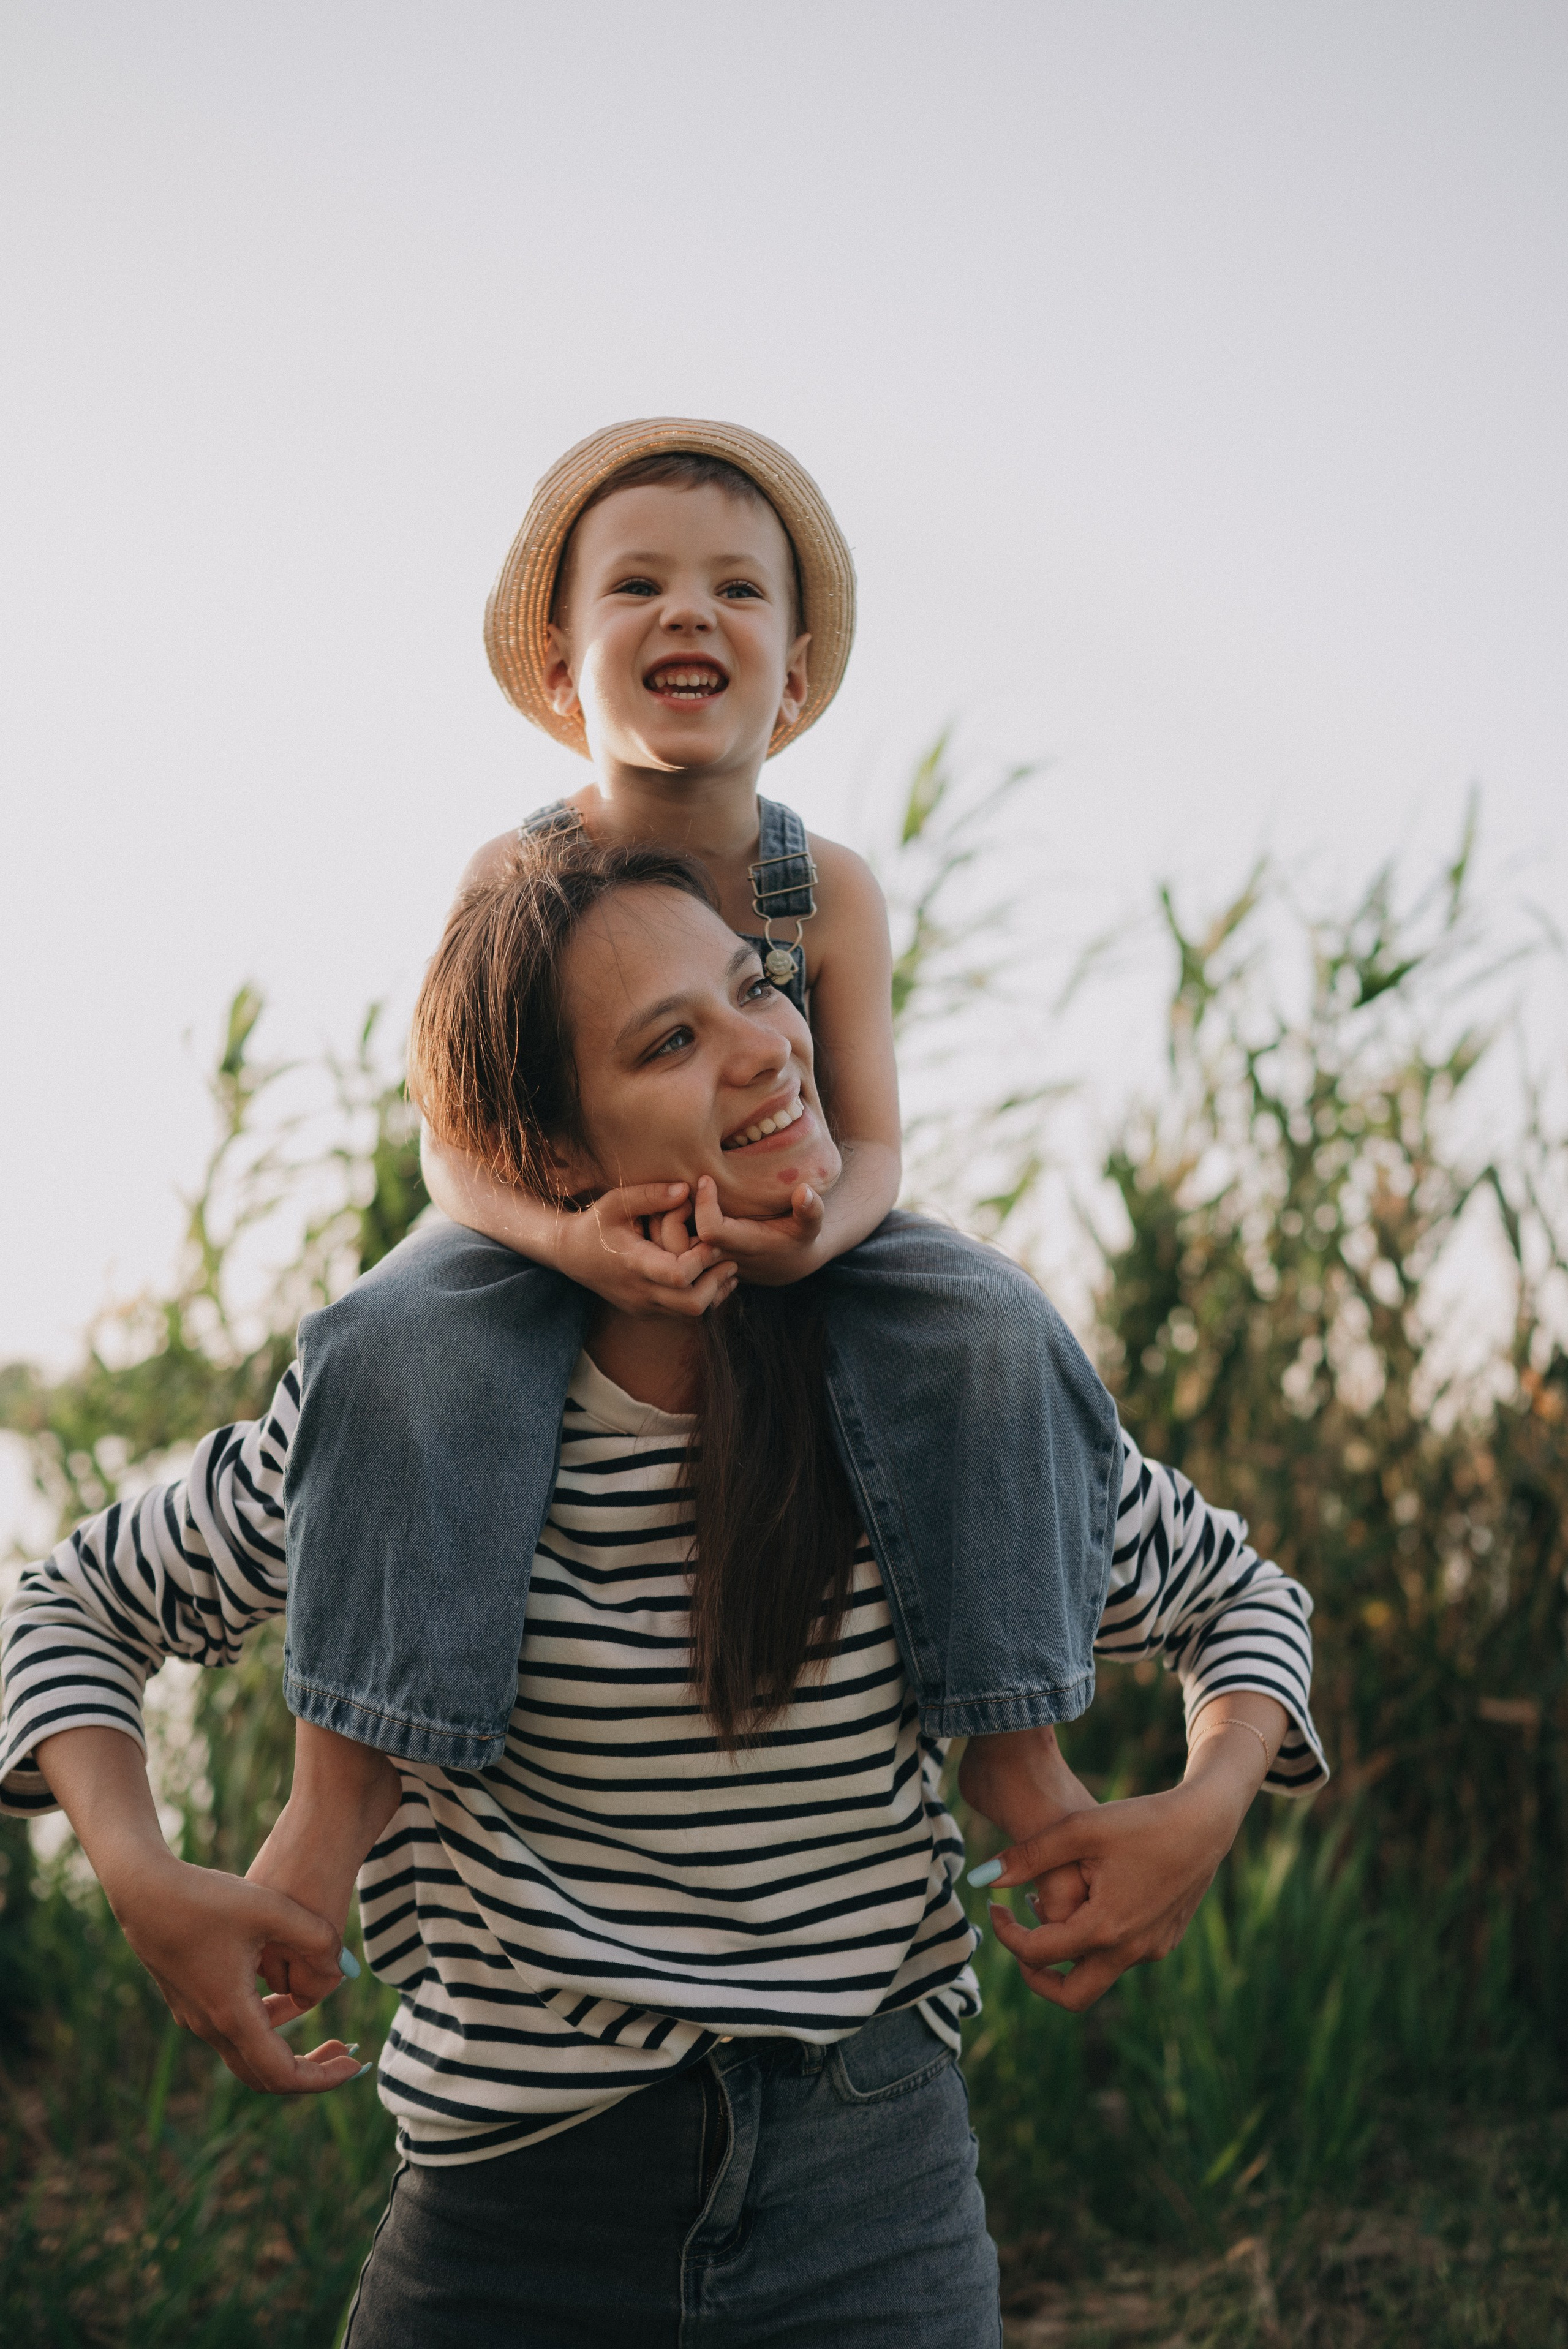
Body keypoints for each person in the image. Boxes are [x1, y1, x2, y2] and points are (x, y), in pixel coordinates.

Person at [1, 837, 1326, 2348]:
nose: (766, 1046)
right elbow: (67, 1612)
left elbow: (1243, 1604)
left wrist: (1207, 1802)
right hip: (511, 2232)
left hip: (874, 2214)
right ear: (556, 1159)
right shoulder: (404, 1425)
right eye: (668, 1041)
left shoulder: (936, 1397)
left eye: (757, 988)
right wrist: (135, 1870)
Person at [276, 418, 1125, 1850]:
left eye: (735, 588)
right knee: (388, 1340)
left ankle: (1015, 1748)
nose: (688, 611)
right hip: (557, 1220)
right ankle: (337, 1789)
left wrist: (814, 1240)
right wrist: (566, 1243)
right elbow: (452, 1148)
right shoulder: (513, 873)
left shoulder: (825, 890)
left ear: (790, 676)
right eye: (637, 585)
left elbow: (871, 1145)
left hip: (794, 1215)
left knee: (989, 1322)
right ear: (561, 670)